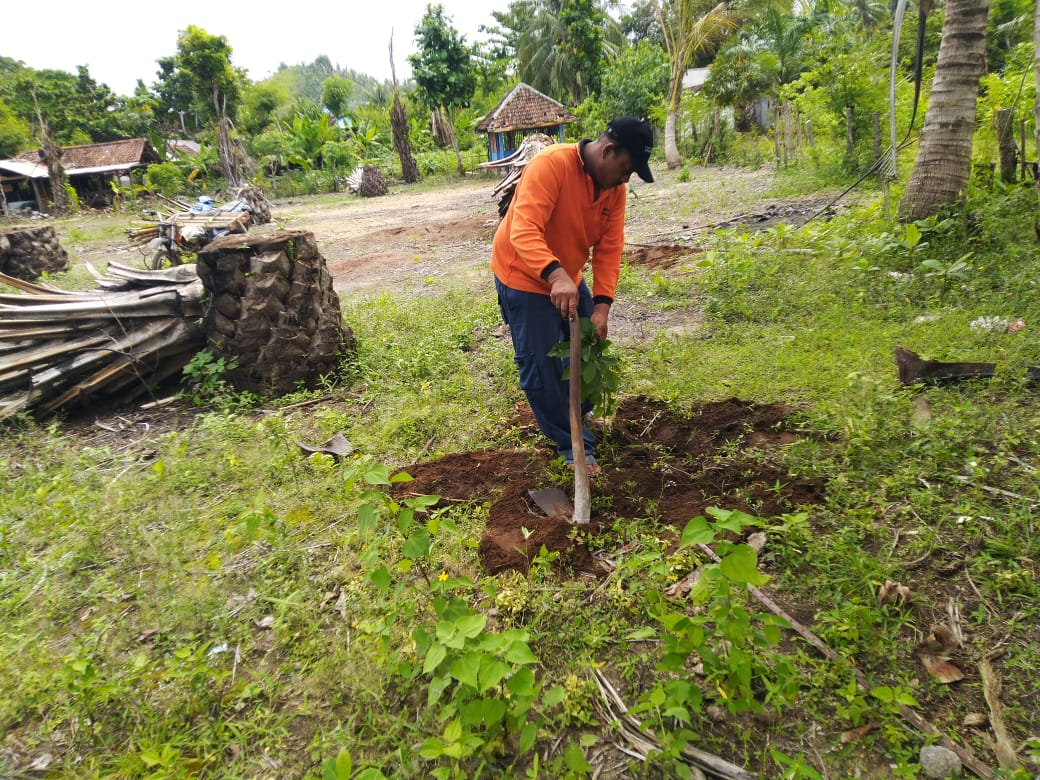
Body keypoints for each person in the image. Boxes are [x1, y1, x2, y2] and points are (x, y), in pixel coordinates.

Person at [491, 116, 654, 471]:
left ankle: (578, 416)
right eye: (626, 168)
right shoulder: (550, 166)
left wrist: (602, 306)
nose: (626, 179)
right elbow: (524, 228)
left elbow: (610, 247)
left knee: (586, 350)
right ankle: (572, 445)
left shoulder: (615, 190)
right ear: (608, 150)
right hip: (523, 275)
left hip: (567, 275)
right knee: (542, 367)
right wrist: (555, 275)